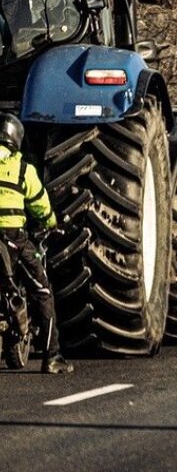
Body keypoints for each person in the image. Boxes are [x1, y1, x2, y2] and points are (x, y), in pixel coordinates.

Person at [0, 112, 71, 373]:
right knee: (42, 292)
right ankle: (52, 357)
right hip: (14, 239)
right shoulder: (22, 169)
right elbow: (40, 204)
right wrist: (53, 223)